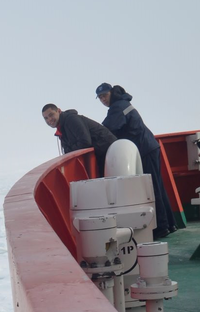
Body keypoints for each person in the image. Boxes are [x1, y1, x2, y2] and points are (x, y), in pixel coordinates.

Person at [95, 84, 176, 237]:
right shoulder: (123, 103)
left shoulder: (118, 107)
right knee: (157, 186)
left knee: (150, 188)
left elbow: (107, 129)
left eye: (105, 95)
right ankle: (169, 224)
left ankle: (161, 227)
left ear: (112, 93)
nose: (103, 99)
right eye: (100, 98)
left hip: (144, 149)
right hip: (149, 147)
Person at [42, 104, 117, 174]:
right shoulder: (62, 130)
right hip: (100, 155)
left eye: (51, 115)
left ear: (58, 111)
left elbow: (85, 141)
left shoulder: (71, 120)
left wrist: (69, 150)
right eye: (46, 118)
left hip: (110, 152)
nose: (49, 120)